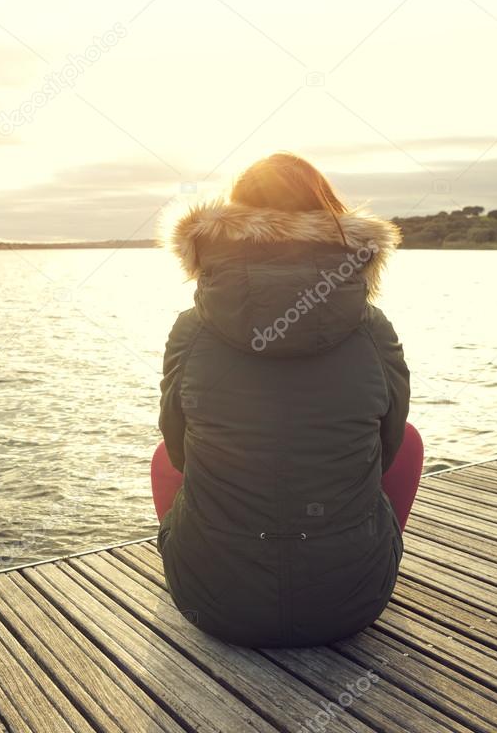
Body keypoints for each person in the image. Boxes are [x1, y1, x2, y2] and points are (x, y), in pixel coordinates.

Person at [153, 152, 421, 648]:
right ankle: (361, 557)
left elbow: (177, 449)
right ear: (332, 220)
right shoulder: (371, 328)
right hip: (351, 603)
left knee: (166, 456)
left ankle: (209, 559)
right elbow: (386, 444)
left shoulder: (192, 330)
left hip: (213, 603)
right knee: (408, 439)